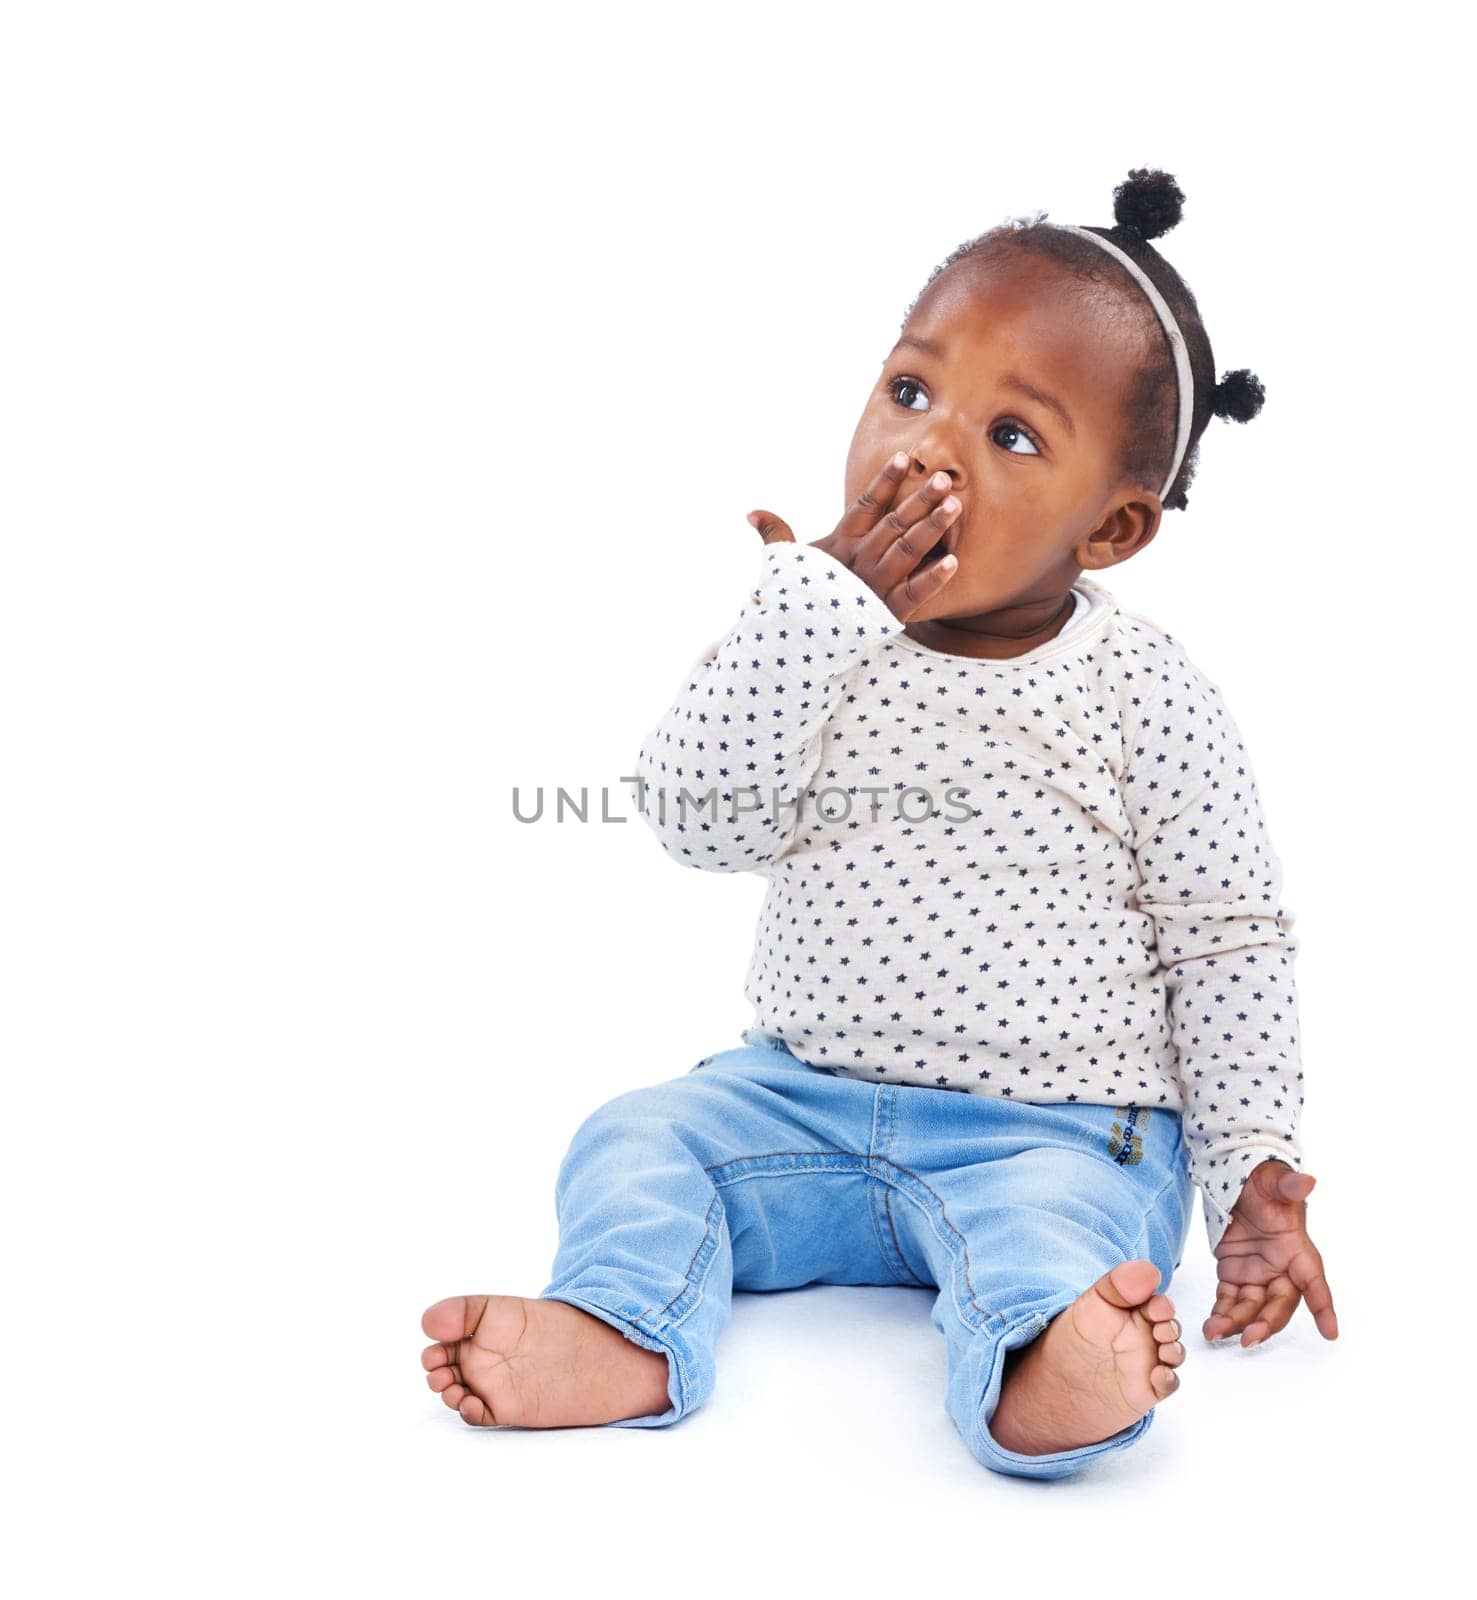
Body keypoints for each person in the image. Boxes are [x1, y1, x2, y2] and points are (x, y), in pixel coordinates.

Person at [420, 167, 1338, 1478]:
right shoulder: (812, 629)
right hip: (790, 1105)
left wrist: (1251, 1170)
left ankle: (1047, 1364)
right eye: (911, 391)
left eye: (1011, 436)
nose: (925, 448)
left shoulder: (1147, 696)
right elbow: (695, 820)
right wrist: (809, 613)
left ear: (1115, 527)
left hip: (1057, 1131)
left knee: (1051, 1233)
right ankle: (624, 1329)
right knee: (630, 1140)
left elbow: (1225, 941)